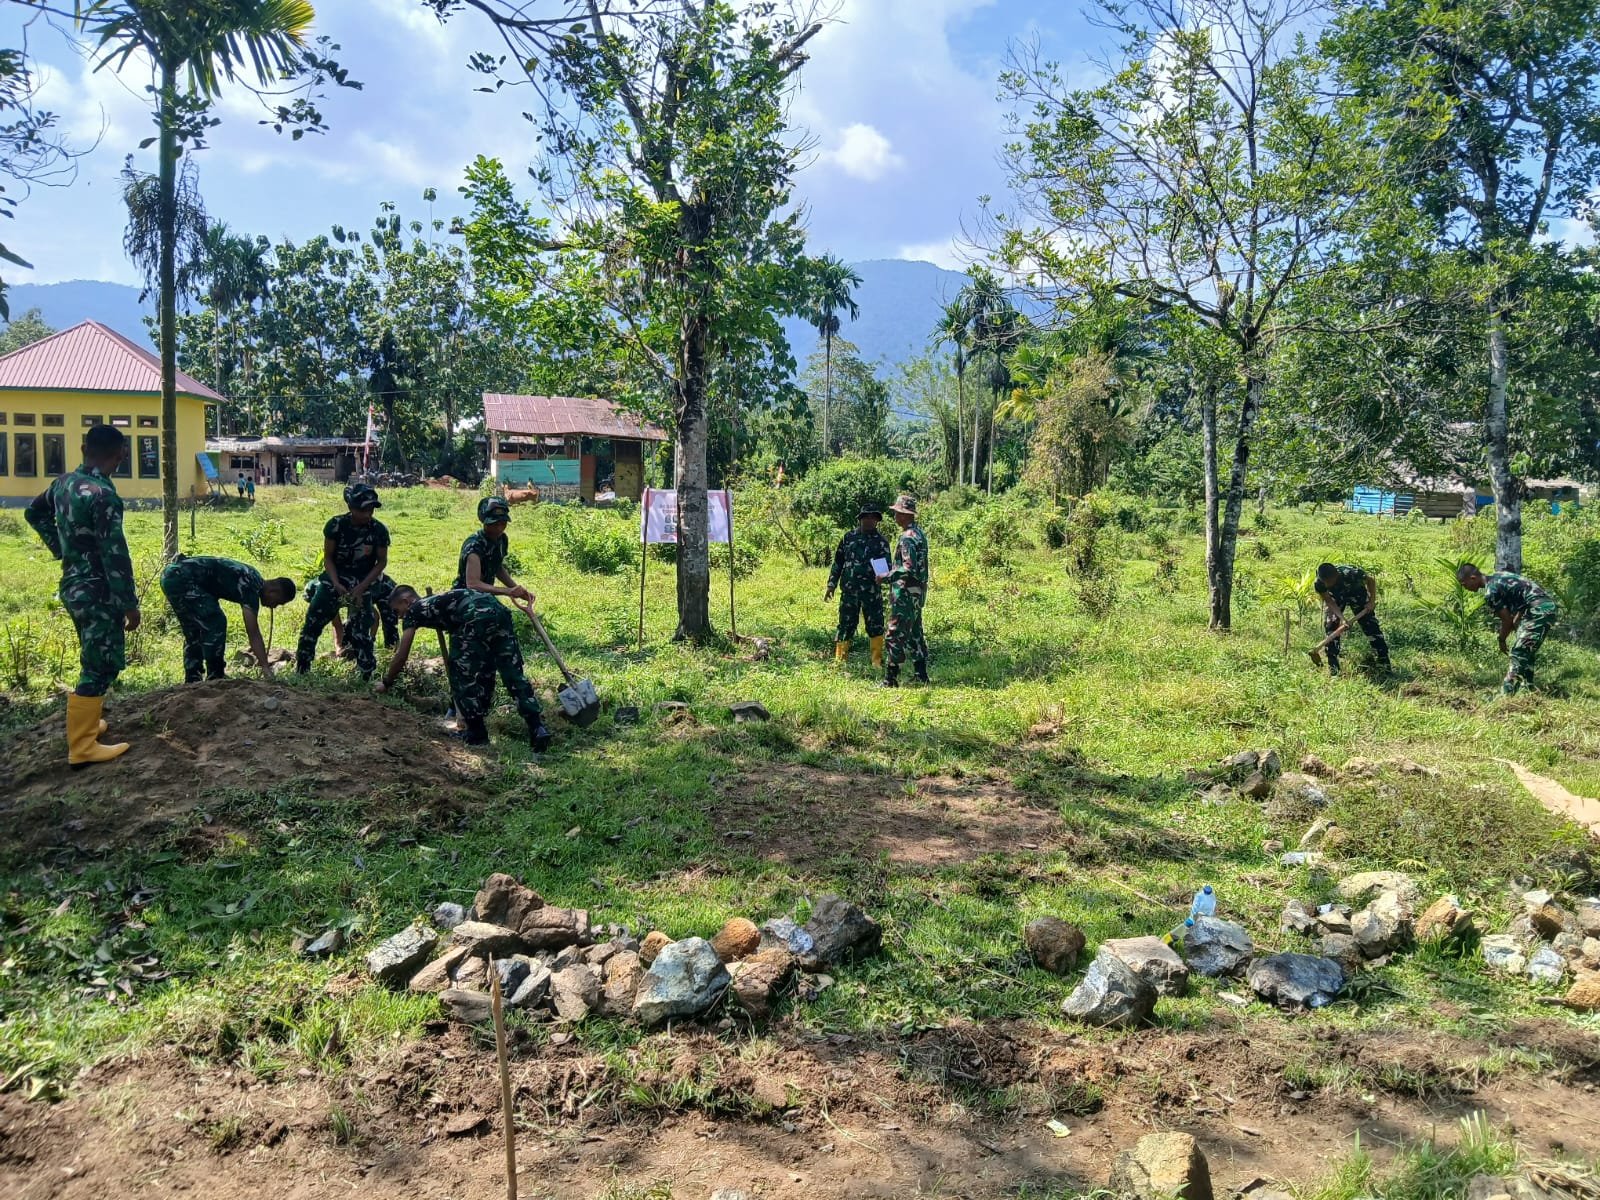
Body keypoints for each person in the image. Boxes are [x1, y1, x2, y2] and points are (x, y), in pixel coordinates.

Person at [24, 424, 140, 766]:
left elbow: (33, 512)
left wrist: (62, 547)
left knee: (92, 658)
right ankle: (83, 745)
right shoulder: (103, 496)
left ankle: (87, 726)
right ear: (121, 455)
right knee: (101, 665)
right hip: (98, 591)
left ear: (83, 449)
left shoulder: (63, 483)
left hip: (73, 586)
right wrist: (129, 604)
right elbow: (115, 554)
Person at [375, 585, 552, 751]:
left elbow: (402, 655)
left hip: (473, 616)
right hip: (497, 610)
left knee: (461, 674)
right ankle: (537, 728)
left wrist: (387, 682)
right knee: (510, 672)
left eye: (397, 611)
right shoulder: (435, 601)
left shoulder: (414, 610)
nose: (399, 617)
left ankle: (476, 733)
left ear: (406, 601)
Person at [295, 482, 390, 679]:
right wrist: (336, 583)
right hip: (335, 578)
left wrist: (362, 588)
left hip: (363, 580)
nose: (367, 514)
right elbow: (328, 558)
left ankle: (366, 675)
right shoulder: (335, 525)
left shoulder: (379, 530)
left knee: (362, 628)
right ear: (351, 507)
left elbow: (381, 562)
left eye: (371, 509)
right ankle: (302, 669)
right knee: (313, 621)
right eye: (363, 510)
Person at [159, 555, 296, 683]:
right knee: (216, 622)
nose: (274, 606)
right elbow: (253, 633)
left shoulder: (253, 576)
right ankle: (215, 675)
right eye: (278, 602)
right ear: (273, 591)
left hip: (171, 576)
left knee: (195, 629)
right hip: (183, 579)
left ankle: (193, 678)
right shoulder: (251, 587)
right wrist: (265, 668)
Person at [1457, 563, 1560, 694]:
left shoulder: (1490, 592)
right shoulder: (1500, 576)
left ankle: (1506, 694)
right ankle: (1528, 688)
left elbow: (1507, 621)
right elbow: (1522, 593)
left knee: (1519, 652)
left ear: (1473, 578)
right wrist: (1518, 619)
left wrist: (1501, 639)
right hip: (1541, 607)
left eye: (1464, 584)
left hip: (1538, 610)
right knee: (1526, 649)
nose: (1465, 588)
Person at [826, 504, 892, 665]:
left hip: (871, 592)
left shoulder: (881, 542)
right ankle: (840, 661)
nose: (869, 520)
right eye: (866, 517)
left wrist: (884, 578)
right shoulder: (848, 538)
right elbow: (838, 562)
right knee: (845, 624)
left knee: (875, 625)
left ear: (877, 520)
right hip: (850, 591)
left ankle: (876, 662)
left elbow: (887, 568)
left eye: (873, 517)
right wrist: (831, 584)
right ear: (860, 519)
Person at [878, 494, 930, 687]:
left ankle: (890, 679)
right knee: (915, 633)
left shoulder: (907, 538)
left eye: (897, 512)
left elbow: (908, 567)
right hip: (917, 592)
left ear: (905, 514)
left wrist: (886, 576)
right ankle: (921, 675)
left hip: (905, 593)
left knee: (894, 633)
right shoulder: (919, 534)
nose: (895, 516)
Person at [1312, 562, 1392, 677]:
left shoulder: (1351, 573)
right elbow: (1329, 601)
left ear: (1336, 576)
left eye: (1329, 582)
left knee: (1370, 625)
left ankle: (1384, 664)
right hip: (1336, 598)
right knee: (1331, 627)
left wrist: (1371, 601)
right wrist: (1342, 619)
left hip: (1357, 593)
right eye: (1325, 582)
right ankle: (1334, 669)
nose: (1327, 584)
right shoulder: (1319, 583)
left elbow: (1370, 581)